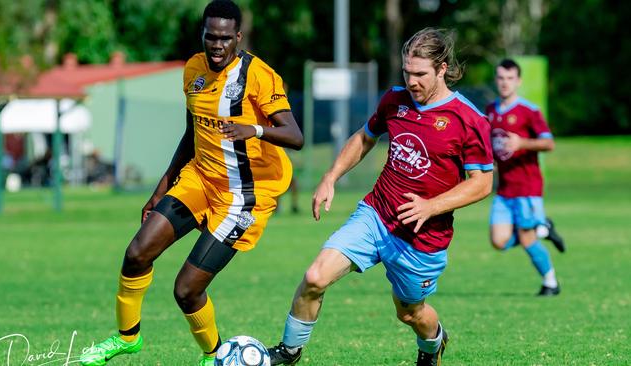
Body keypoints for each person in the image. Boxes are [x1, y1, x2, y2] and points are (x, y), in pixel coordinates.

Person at [80, 1, 303, 365]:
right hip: (200, 179)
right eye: (210, 37)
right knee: (137, 253)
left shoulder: (259, 76)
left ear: (238, 38)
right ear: (202, 35)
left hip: (244, 196)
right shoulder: (194, 69)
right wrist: (161, 189)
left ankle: (214, 355)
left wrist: (254, 129)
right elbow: (191, 133)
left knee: (186, 290)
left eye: (225, 39)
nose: (217, 46)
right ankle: (126, 338)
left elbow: (295, 136)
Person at [266, 28, 493, 366]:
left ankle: (433, 343)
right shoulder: (395, 100)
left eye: (420, 74)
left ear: (442, 69)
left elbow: (482, 183)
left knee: (411, 313)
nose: (412, 81)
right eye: (407, 72)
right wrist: (330, 176)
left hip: (422, 239)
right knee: (315, 277)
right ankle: (288, 351)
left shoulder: (468, 120)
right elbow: (364, 137)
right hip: (375, 215)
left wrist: (431, 206)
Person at [486, 58, 565, 296]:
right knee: (498, 241)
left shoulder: (529, 111)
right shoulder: (490, 111)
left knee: (526, 238)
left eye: (510, 78)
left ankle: (551, 282)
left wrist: (522, 142)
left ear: (518, 81)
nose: (505, 83)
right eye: (500, 78)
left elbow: (549, 143)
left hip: (527, 187)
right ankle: (543, 228)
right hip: (504, 188)